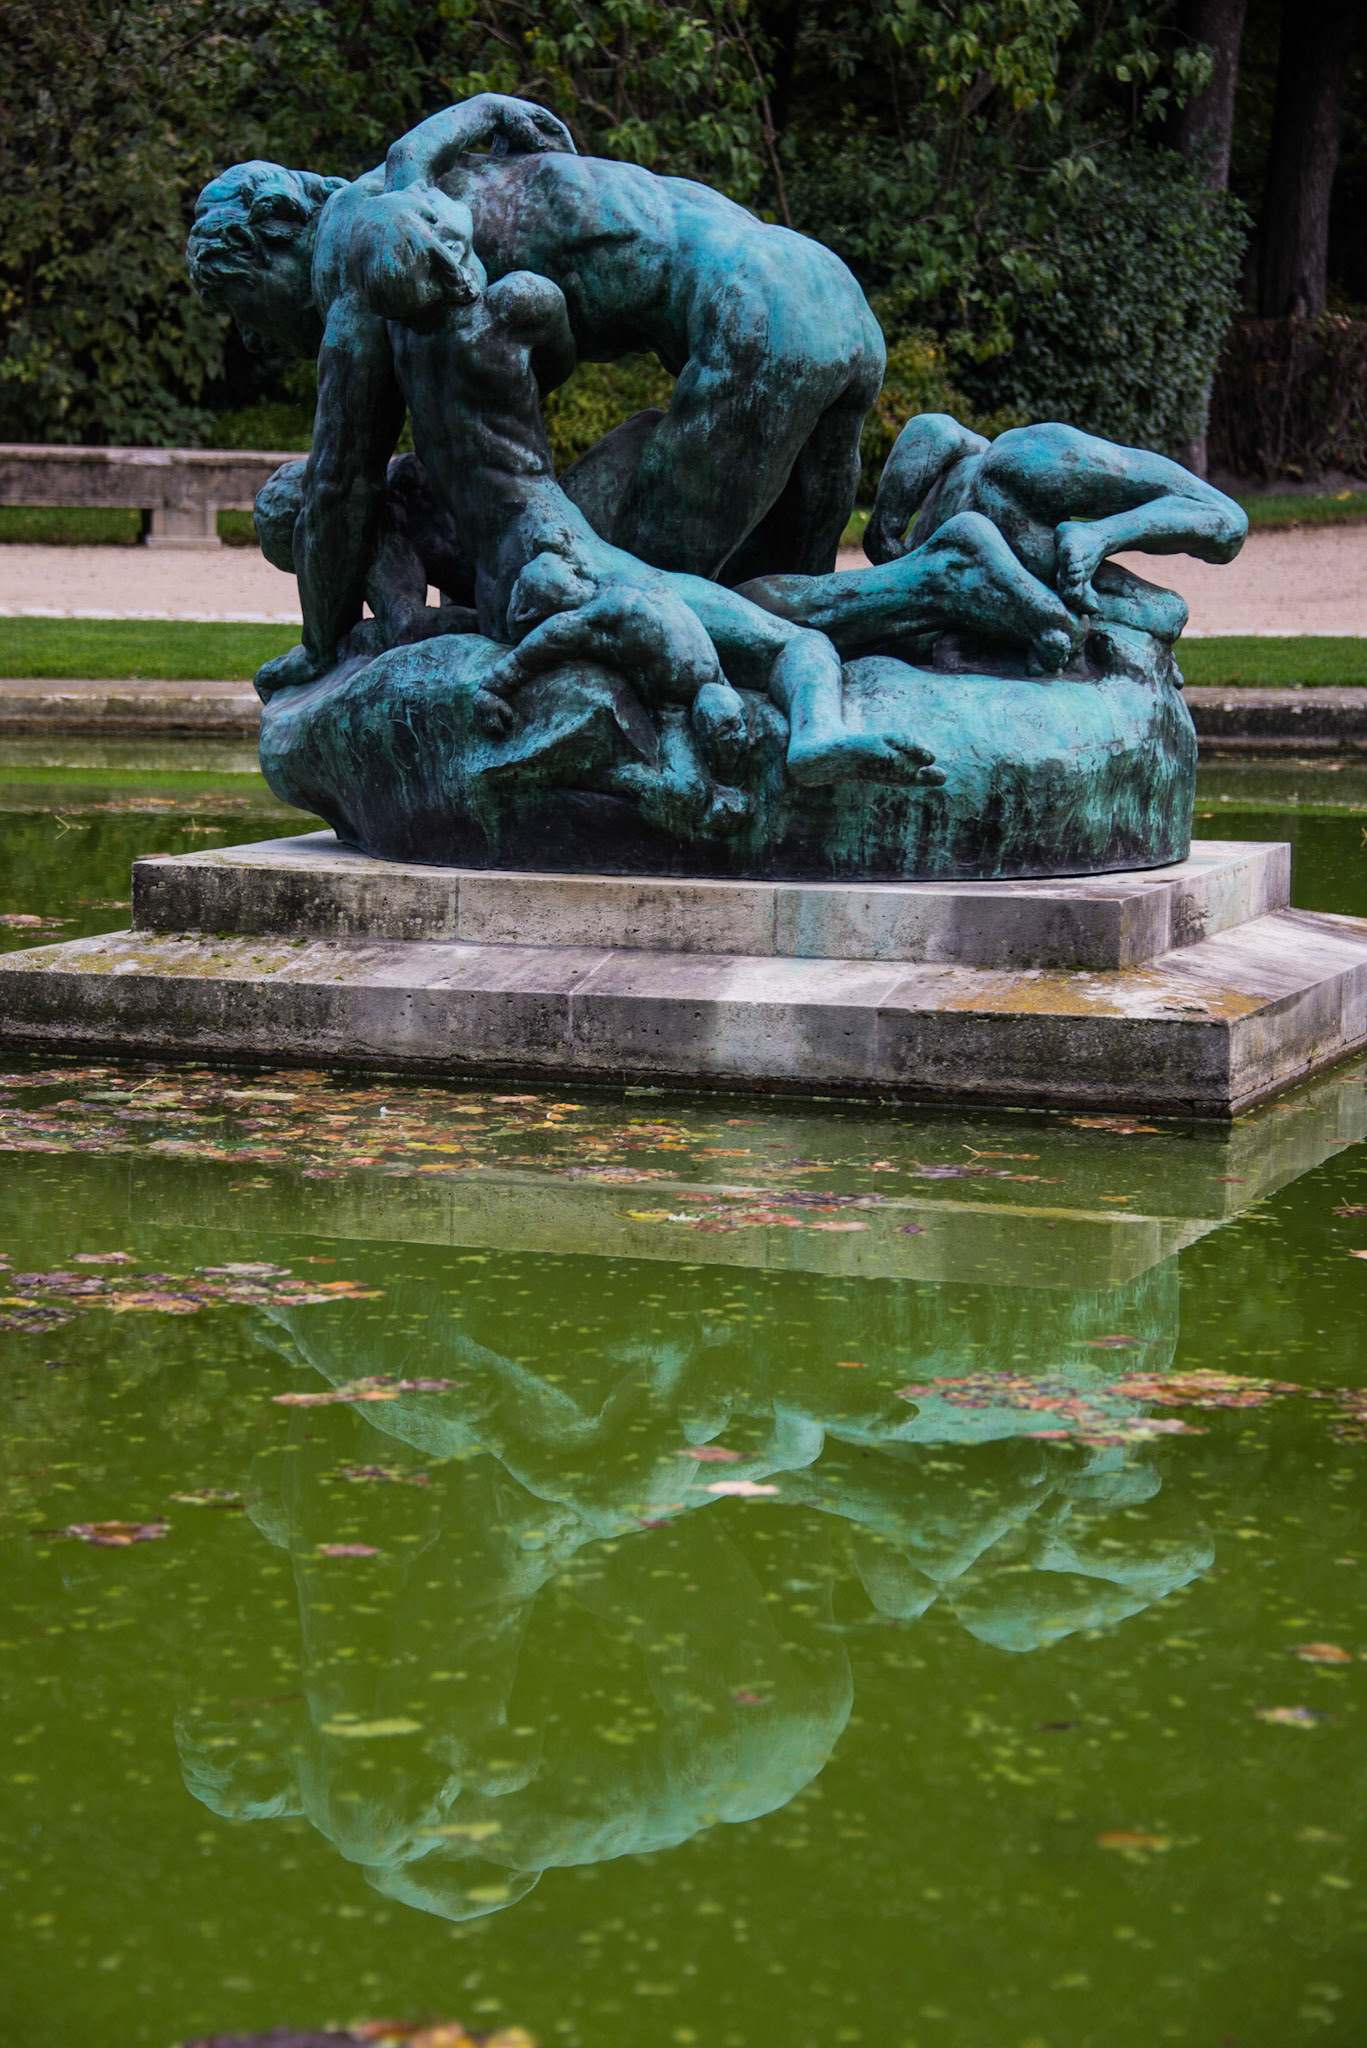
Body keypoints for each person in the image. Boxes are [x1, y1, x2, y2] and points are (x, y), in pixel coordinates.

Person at [185, 91, 884, 665]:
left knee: (633, 616)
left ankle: (950, 588)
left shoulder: (358, 253)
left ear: (274, 243)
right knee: (778, 594)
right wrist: (489, 107)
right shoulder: (422, 182)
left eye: (238, 305)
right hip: (826, 289)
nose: (254, 338)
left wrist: (318, 646)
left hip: (755, 324)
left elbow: (339, 486)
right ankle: (943, 604)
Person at [865, 414, 1248, 638]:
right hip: (1025, 479)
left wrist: (886, 532)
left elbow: (934, 430)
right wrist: (886, 529)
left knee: (1171, 607)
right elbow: (934, 430)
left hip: (1026, 544)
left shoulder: (922, 575)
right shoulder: (982, 462)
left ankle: (1097, 537)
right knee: (1221, 534)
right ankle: (1097, 536)